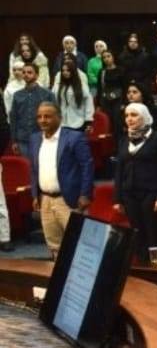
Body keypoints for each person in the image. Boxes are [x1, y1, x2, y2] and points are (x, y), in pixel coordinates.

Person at [30, 102, 95, 258]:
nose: (42, 120)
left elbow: (87, 166)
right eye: (39, 117)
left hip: (69, 199)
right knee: (54, 246)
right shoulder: (35, 139)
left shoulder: (74, 137)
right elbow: (34, 169)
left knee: (78, 244)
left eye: (47, 116)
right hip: (45, 200)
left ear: (59, 117)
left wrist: (85, 194)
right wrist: (35, 195)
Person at [113, 103, 157, 261]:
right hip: (129, 194)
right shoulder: (124, 140)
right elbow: (119, 171)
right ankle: (143, 267)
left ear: (144, 116)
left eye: (134, 115)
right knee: (137, 233)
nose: (129, 119)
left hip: (151, 194)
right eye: (127, 115)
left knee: (154, 232)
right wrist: (117, 198)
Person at [10, 63, 56, 157]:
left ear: (37, 75)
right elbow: (14, 118)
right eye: (24, 72)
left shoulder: (47, 94)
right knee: (26, 165)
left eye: (29, 72)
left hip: (42, 137)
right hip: (23, 139)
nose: (26, 74)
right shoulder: (17, 95)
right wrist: (14, 140)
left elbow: (55, 117)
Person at [51, 57, 94, 132]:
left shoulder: (82, 86)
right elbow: (53, 103)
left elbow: (89, 103)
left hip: (78, 122)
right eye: (63, 70)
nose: (65, 72)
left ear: (73, 71)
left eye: (68, 70)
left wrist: (88, 120)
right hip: (61, 123)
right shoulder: (57, 86)